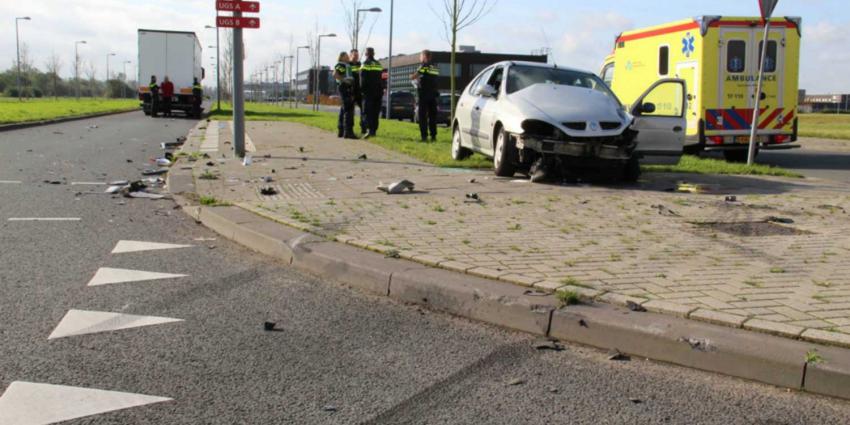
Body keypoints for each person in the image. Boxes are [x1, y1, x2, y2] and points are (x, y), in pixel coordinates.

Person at [412, 50, 440, 142]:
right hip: (433, 95)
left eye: (421, 56)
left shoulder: (423, 66)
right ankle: (433, 136)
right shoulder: (434, 67)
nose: (420, 58)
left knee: (422, 116)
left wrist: (412, 77)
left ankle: (424, 136)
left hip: (424, 94)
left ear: (424, 56)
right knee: (432, 116)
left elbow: (414, 77)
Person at [360, 47, 384, 139]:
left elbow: (362, 79)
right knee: (375, 112)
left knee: (367, 111)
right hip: (378, 92)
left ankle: (369, 130)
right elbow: (381, 79)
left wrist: (362, 91)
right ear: (373, 54)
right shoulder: (378, 64)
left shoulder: (365, 64)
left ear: (366, 54)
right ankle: (373, 130)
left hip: (368, 92)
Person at [334, 52, 357, 139]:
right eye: (346, 56)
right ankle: (348, 132)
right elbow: (335, 74)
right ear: (342, 57)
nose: (348, 57)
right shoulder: (341, 65)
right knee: (349, 109)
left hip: (346, 87)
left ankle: (341, 130)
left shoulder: (346, 65)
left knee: (344, 109)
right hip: (345, 87)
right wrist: (344, 81)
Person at [348, 49, 367, 136]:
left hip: (360, 91)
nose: (356, 57)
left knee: (363, 110)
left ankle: (363, 128)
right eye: (354, 55)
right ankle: (350, 129)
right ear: (350, 55)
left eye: (357, 55)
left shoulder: (360, 64)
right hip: (351, 91)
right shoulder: (348, 65)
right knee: (350, 111)